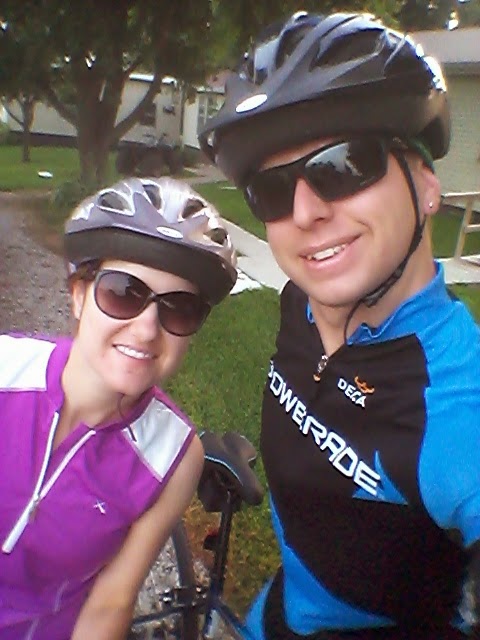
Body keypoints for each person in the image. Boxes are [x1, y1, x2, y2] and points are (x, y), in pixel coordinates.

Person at [199, 11, 480, 639]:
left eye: (344, 164)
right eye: (272, 190)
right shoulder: (298, 305)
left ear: (426, 185)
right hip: (271, 615)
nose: (304, 213)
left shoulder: (460, 403)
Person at [0, 176, 237, 640]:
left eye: (179, 308)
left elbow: (111, 602)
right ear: (78, 295)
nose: (147, 329)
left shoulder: (172, 455)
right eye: (123, 291)